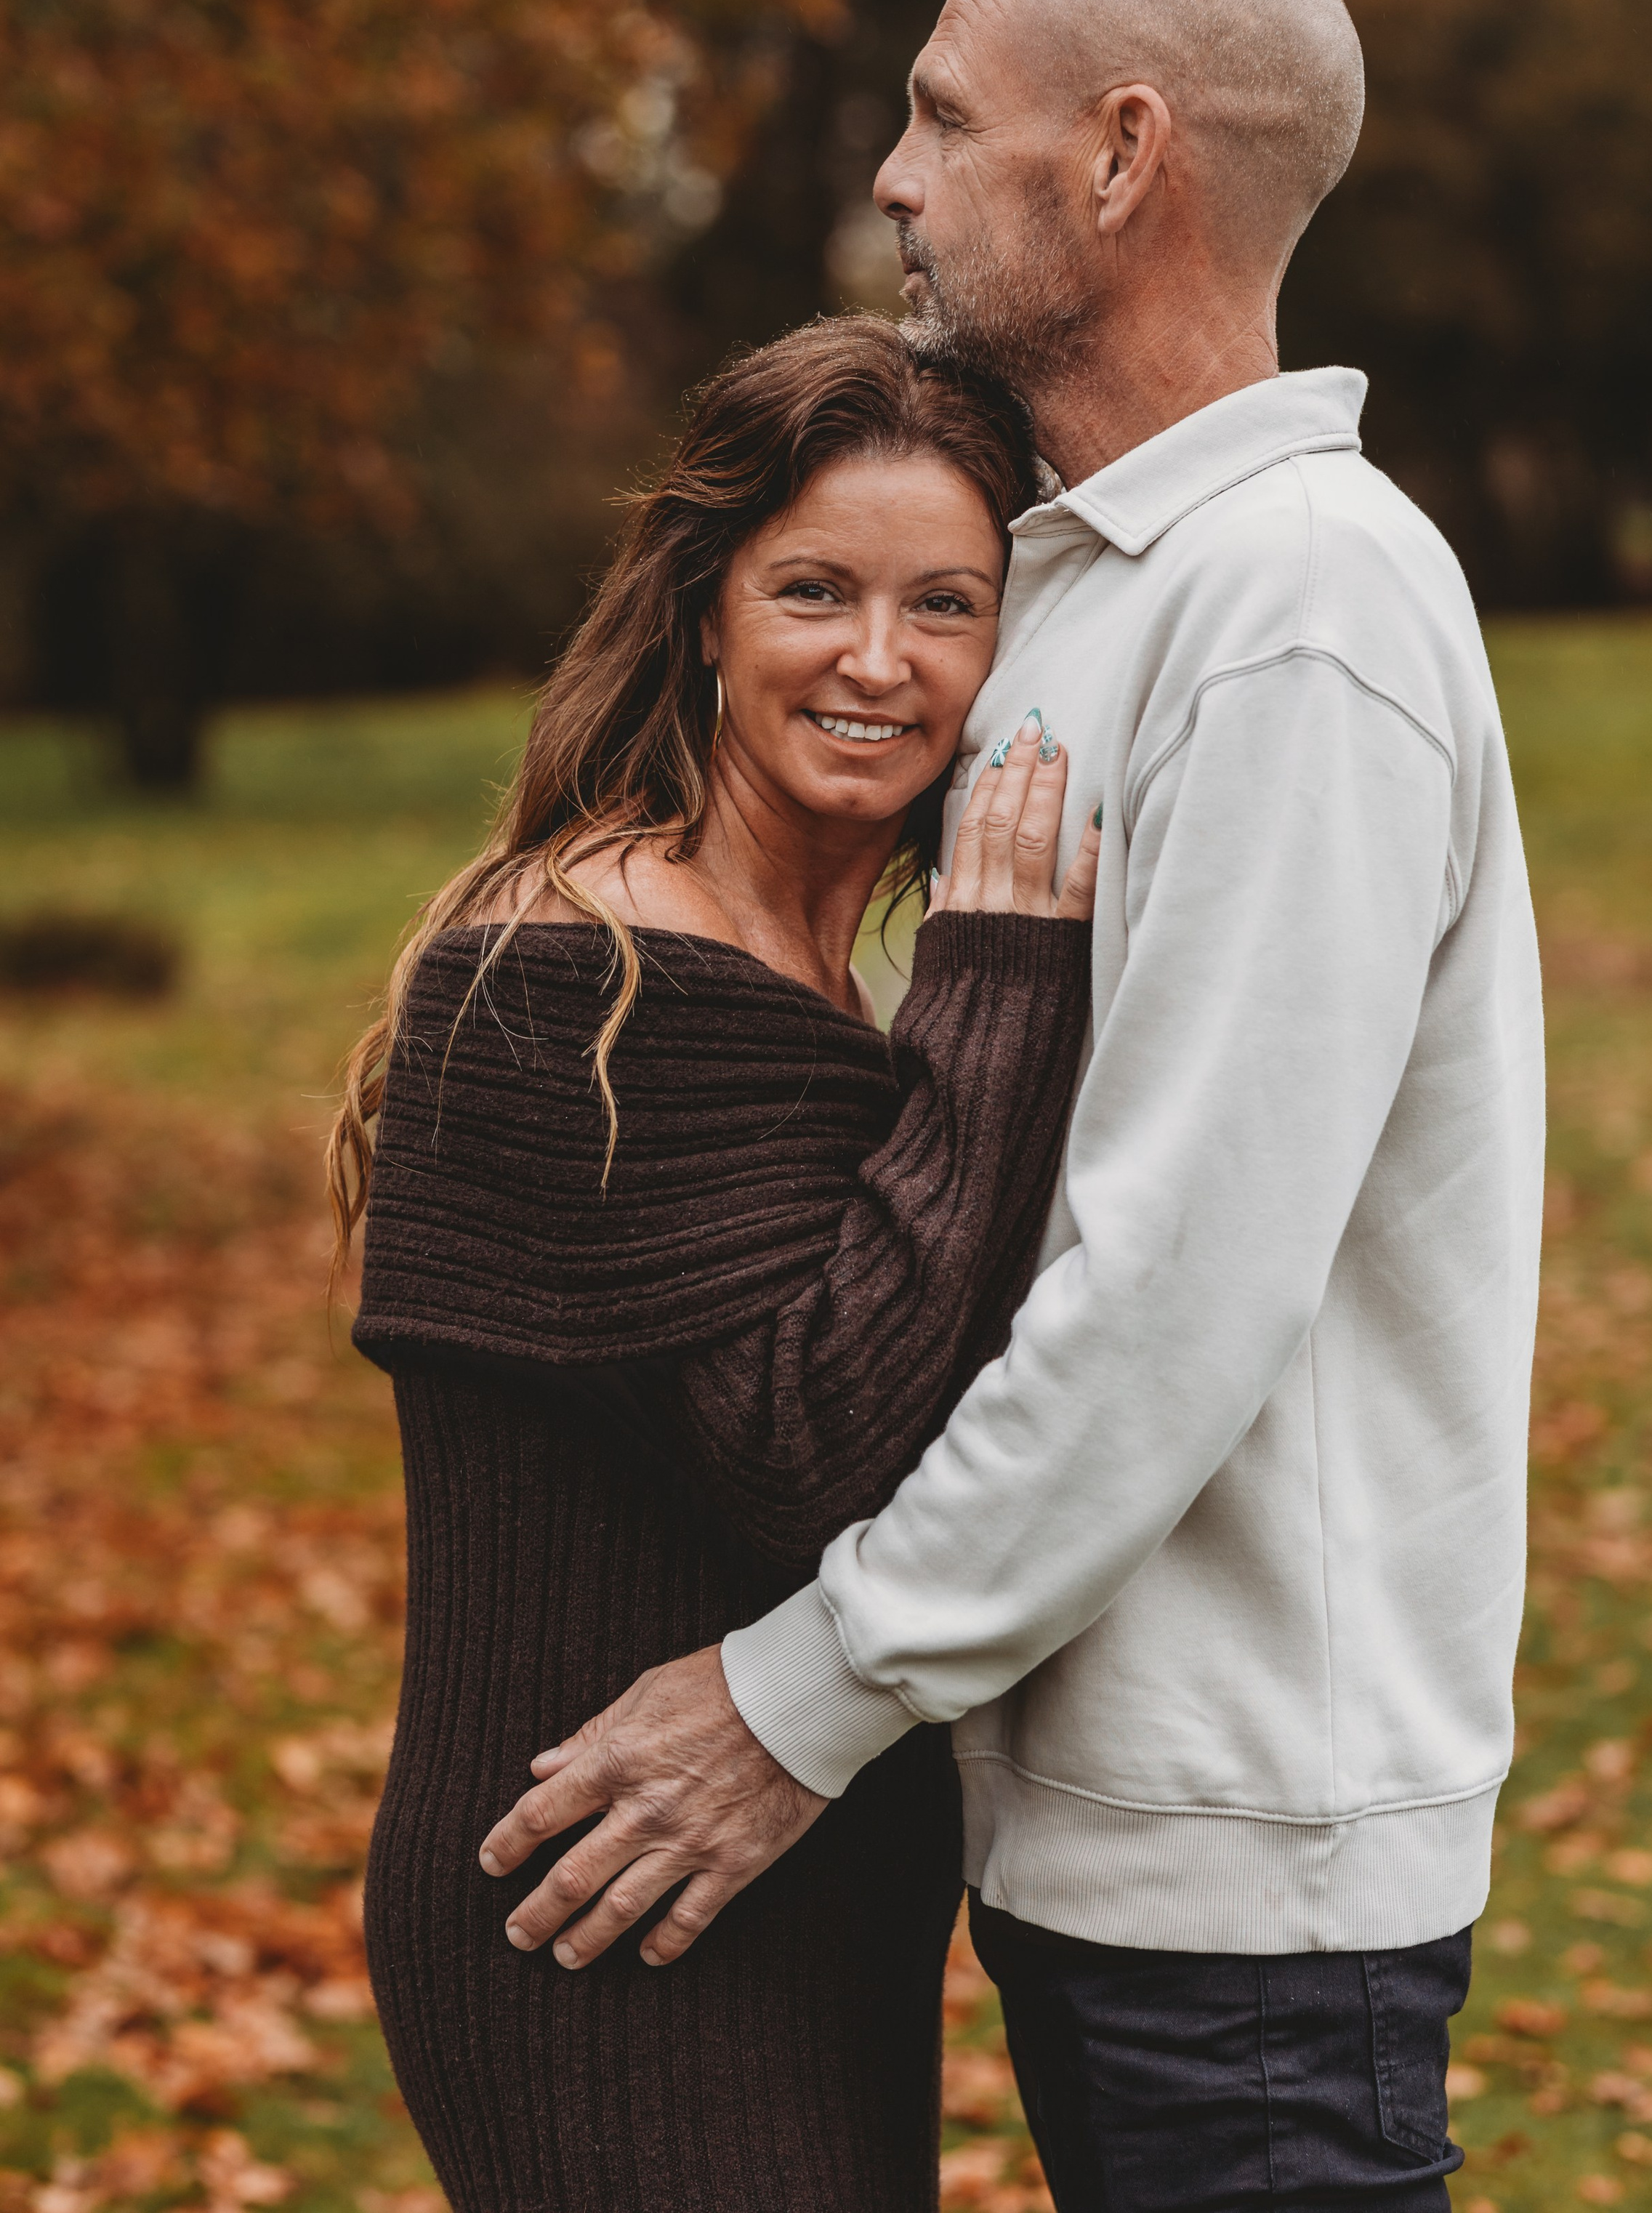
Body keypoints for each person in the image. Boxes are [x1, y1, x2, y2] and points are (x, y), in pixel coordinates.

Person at [480, 0, 1545, 2212]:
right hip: (1087, 1812)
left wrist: (804, 1697)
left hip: (1248, 1848)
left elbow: (1180, 1278)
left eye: (943, 116)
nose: (893, 174)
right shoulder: (1095, 584)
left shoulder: (1300, 609)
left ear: (1121, 155)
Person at [329, 318, 1100, 2213]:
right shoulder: (580, 969)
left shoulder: (815, 979)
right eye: (813, 590)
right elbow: (816, 1445)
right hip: (600, 1903)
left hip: (791, 1880)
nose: (876, 658)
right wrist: (1002, 989)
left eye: (949, 604)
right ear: (705, 611)